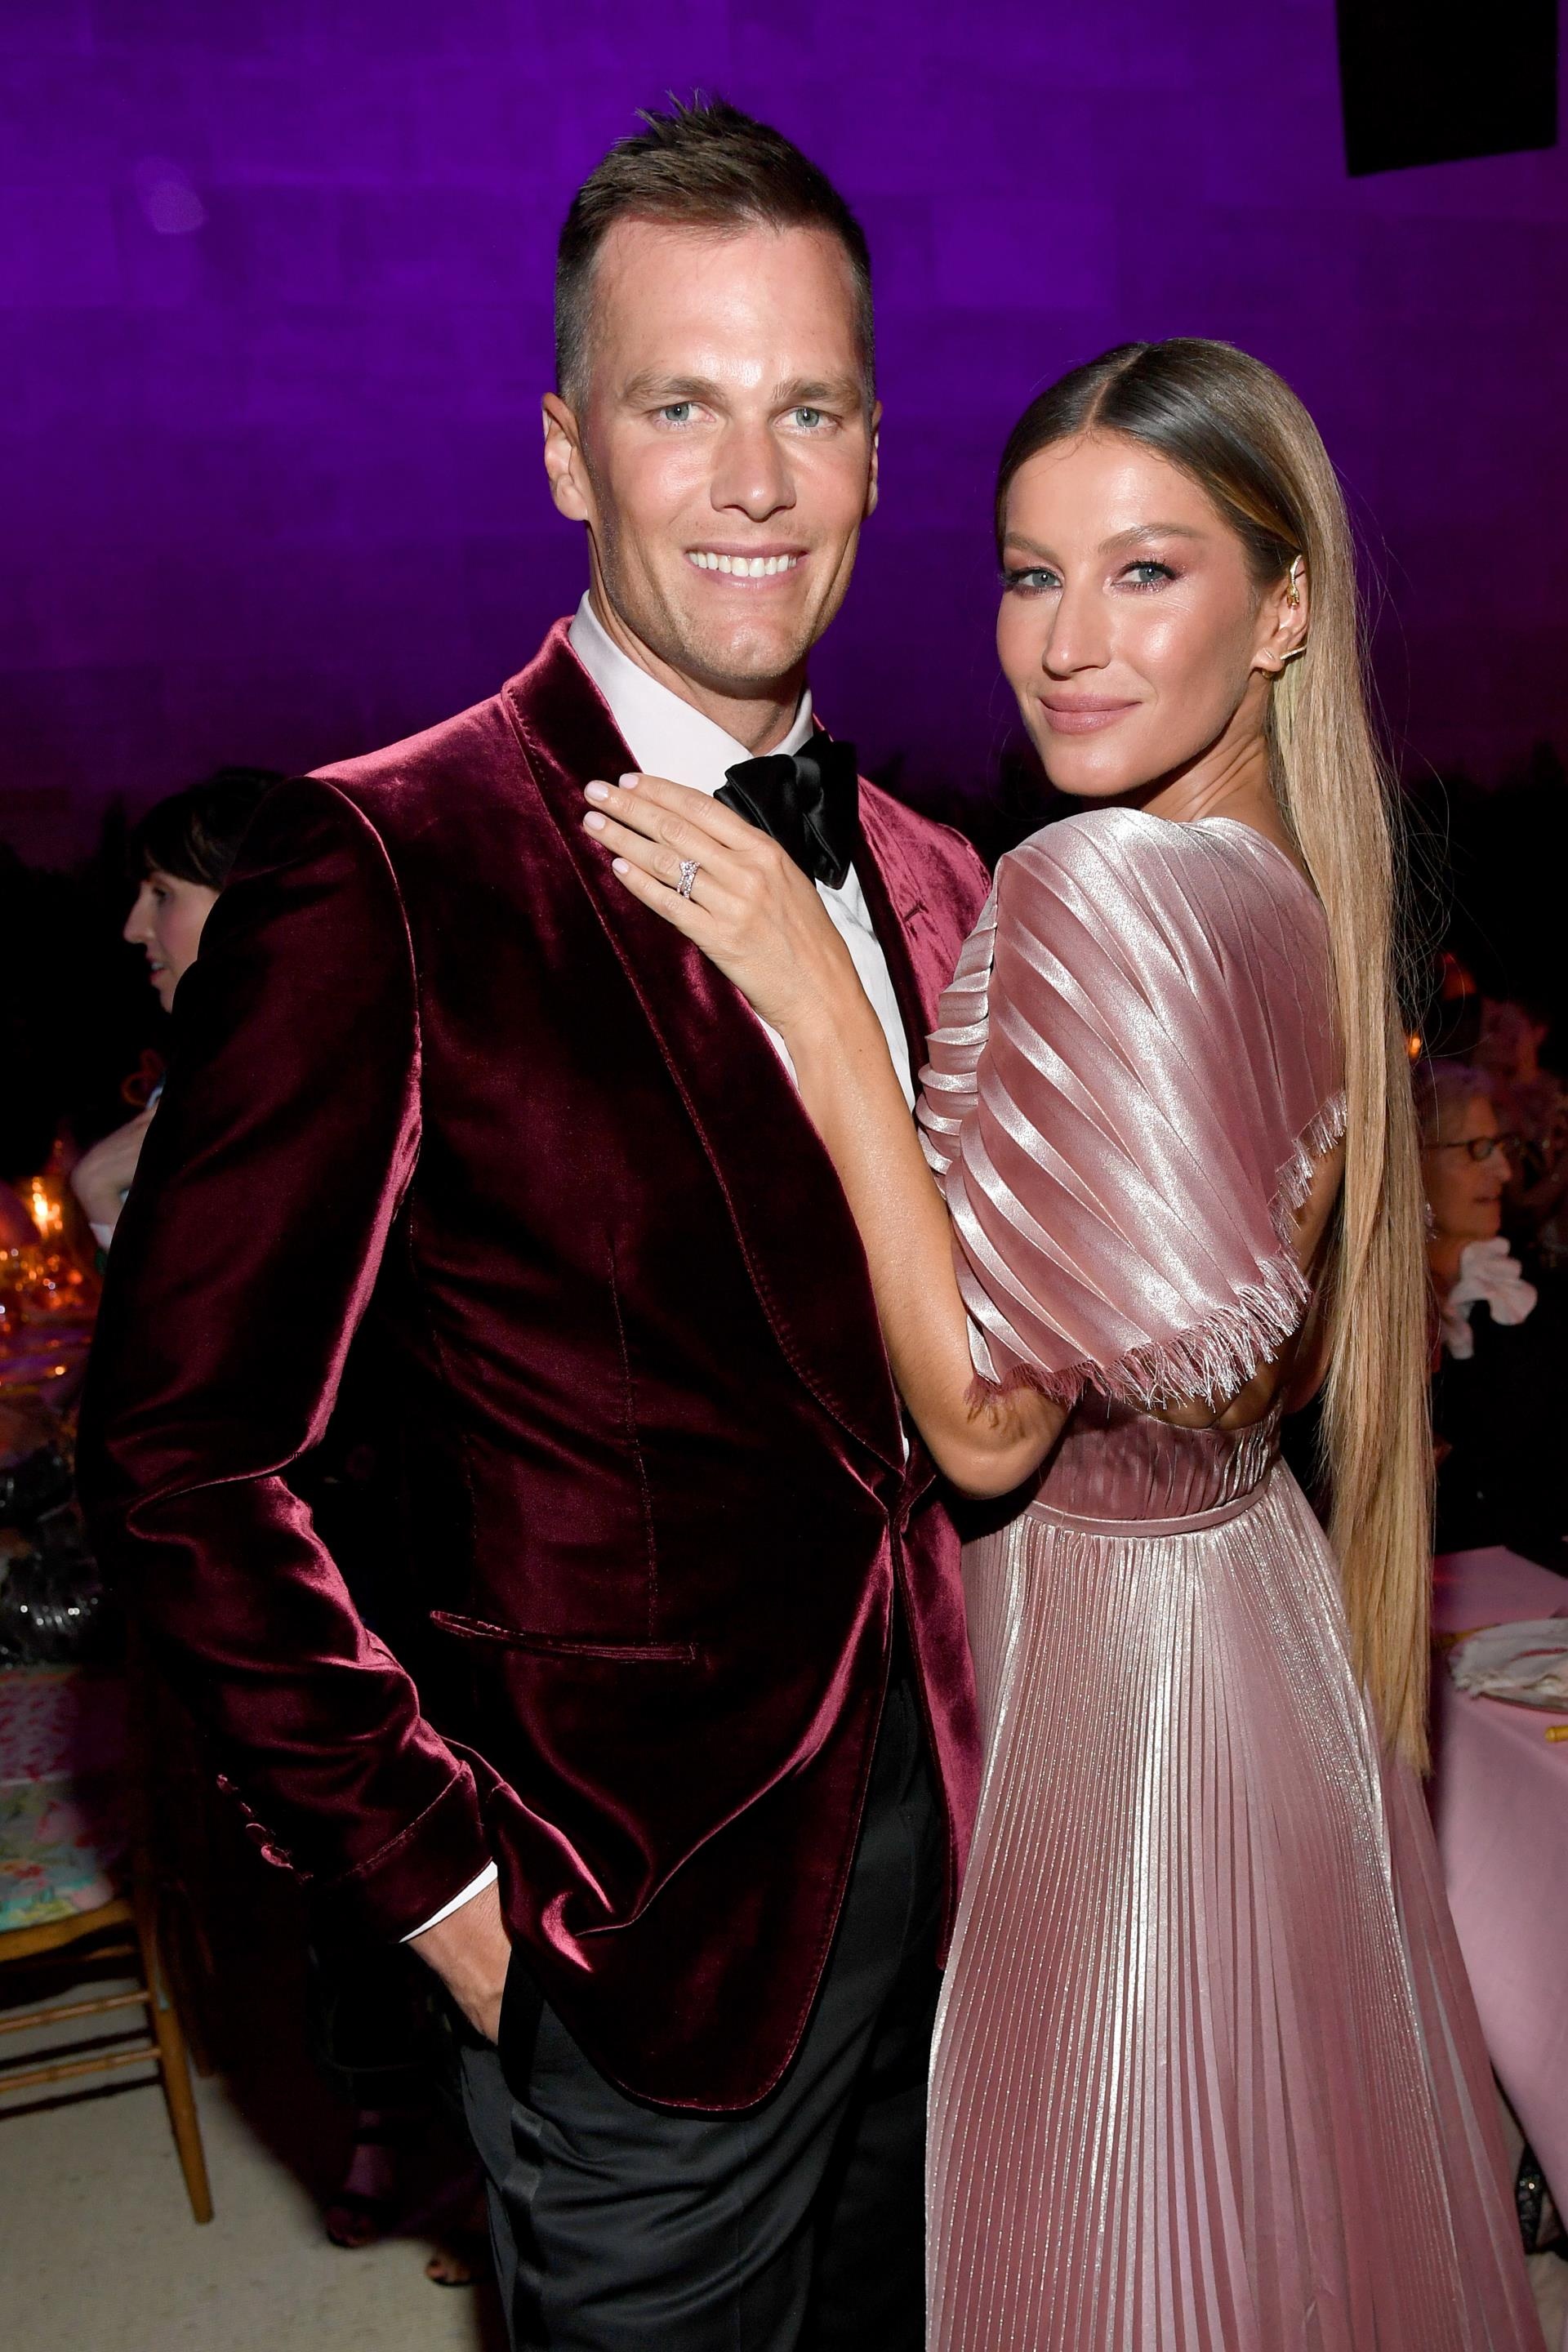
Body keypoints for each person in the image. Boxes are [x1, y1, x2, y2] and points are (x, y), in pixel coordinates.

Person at [77, 100, 991, 2350]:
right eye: (681, 407)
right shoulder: (384, 867)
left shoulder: (939, 872)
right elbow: (187, 1452)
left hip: (970, 1881)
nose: (755, 481)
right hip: (634, 1928)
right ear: (569, 451)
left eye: (809, 411)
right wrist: (445, 1885)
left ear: (879, 458)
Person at [587, 337, 1538, 2346]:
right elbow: (1252, 1349)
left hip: (1105, 1668)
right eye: (1031, 574)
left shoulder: (1099, 884)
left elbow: (990, 1425)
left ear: (1281, 609)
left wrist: (818, 1001)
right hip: (1256, 1617)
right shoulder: (1302, 889)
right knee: (1269, 2222)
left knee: (1112, 2235)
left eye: (1146, 571)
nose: (1068, 642)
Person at [69, 767, 282, 1248]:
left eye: (162, 894)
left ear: (246, 906)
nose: (134, 928)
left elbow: (208, 1289)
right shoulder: (212, 1069)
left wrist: (98, 1188)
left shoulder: (290, 1091)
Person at [1420, 1057, 1568, 1570]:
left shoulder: (1523, 1292)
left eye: (1501, 1147)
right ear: (1412, 1160)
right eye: (1477, 1149)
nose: (1504, 1172)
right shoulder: (1358, 1315)